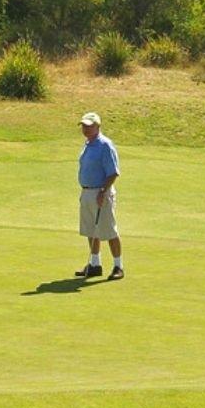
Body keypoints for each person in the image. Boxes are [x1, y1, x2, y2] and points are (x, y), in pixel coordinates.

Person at [75, 110, 124, 280]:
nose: (85, 129)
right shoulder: (88, 144)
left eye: (89, 126)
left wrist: (103, 191)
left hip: (101, 192)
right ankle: (95, 264)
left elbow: (113, 173)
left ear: (97, 126)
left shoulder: (105, 145)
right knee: (91, 229)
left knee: (109, 230)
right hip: (87, 192)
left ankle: (118, 266)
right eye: (83, 126)